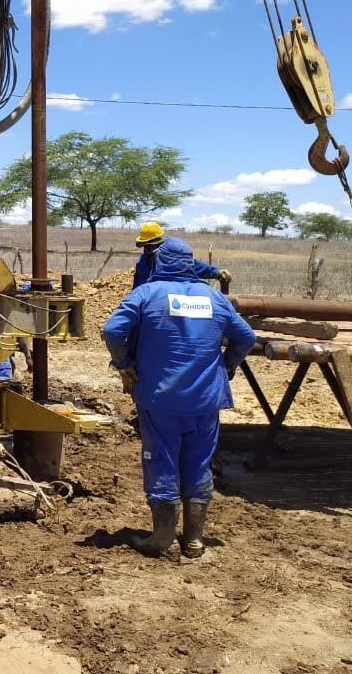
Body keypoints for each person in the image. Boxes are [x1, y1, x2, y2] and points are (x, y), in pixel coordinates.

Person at [102, 237, 256, 558]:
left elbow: (113, 330)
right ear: (189, 263)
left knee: (162, 459)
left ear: (160, 262)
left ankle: (162, 538)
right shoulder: (214, 298)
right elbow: (246, 337)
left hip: (160, 399)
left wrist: (125, 365)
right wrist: (227, 366)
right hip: (205, 401)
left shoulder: (146, 294)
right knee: (199, 462)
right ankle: (195, 540)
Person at [132, 222, 230, 290]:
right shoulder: (142, 260)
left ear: (157, 242)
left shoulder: (169, 256)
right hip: (145, 298)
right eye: (144, 246)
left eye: (148, 246)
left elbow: (193, 266)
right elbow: (137, 284)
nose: (145, 249)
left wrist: (215, 272)